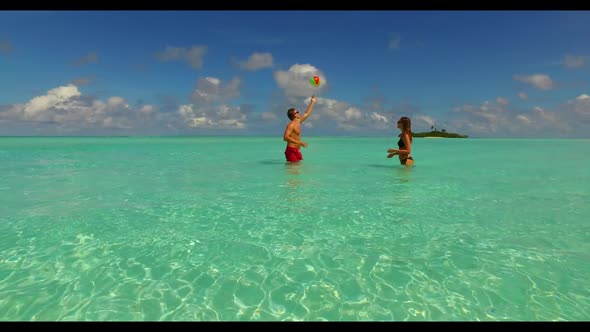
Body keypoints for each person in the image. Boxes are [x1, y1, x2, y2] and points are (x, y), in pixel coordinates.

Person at [283, 95, 317, 162]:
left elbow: (306, 113)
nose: (298, 112)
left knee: (298, 168)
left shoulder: (298, 122)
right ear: (294, 115)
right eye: (297, 112)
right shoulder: (291, 125)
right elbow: (285, 137)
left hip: (297, 150)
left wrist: (312, 102)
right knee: (293, 170)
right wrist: (300, 143)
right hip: (291, 150)